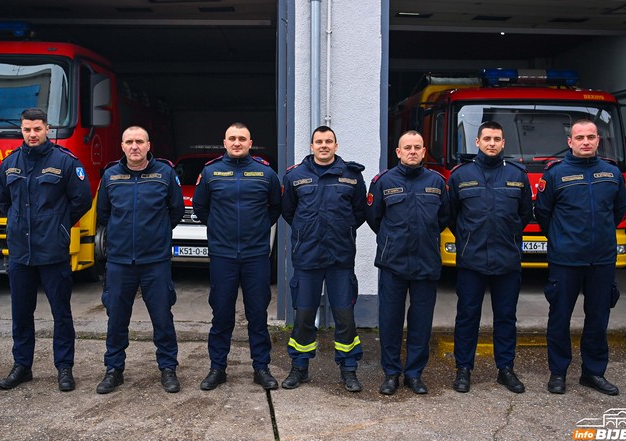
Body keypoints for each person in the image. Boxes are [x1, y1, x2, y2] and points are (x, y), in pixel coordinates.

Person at [0, 107, 92, 392]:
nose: (32, 134)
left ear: (47, 129)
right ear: (21, 130)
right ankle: (22, 366)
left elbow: (82, 200)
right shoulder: (10, 163)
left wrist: (59, 224)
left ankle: (64, 368)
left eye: (37, 129)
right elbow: (4, 201)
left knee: (60, 312)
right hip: (20, 252)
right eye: (27, 129)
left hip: (52, 250)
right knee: (21, 312)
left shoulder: (64, 161)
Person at [534, 119, 626, 396]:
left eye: (591, 137)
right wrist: (563, 240)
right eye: (580, 137)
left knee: (598, 318)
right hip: (566, 260)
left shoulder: (612, 174)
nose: (585, 142)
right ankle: (558, 373)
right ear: (570, 142)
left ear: (598, 140)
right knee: (559, 318)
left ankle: (593, 373)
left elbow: (618, 212)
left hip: (601, 260)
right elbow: (543, 214)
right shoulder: (555, 174)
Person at [94, 126, 185, 394]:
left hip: (155, 260)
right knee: (116, 318)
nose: (135, 146)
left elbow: (176, 210)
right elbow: (104, 214)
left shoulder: (165, 173)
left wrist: (156, 235)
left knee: (162, 317)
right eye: (129, 142)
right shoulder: (111, 175)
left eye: (140, 142)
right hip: (120, 261)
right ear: (122, 146)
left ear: (148, 145)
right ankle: (114, 370)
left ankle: (168, 369)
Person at [192, 122, 282, 391]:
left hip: (256, 256)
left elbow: (275, 208)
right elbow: (200, 207)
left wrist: (256, 230)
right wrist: (221, 231)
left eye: (242, 138)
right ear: (224, 142)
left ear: (250, 143)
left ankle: (261, 367)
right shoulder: (210, 173)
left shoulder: (266, 174)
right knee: (221, 315)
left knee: (257, 314)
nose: (237, 142)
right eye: (232, 138)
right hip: (223, 256)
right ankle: (217, 368)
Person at [448, 121, 533, 394]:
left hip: (507, 260)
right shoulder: (461, 175)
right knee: (467, 317)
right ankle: (463, 369)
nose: (492, 143)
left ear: (504, 142)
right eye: (487, 138)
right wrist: (468, 239)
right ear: (477, 142)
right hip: (471, 261)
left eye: (497, 138)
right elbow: (451, 216)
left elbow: (525, 215)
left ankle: (505, 369)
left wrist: (508, 237)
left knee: (506, 317)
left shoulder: (518, 175)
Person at [280, 125, 367, 392]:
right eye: (319, 141)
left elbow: (360, 213)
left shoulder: (351, 176)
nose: (324, 145)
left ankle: (349, 369)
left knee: (345, 317)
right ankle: (299, 368)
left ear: (336, 146)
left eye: (329, 141)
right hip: (307, 259)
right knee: (304, 316)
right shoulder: (295, 177)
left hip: (340, 260)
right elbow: (288, 212)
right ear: (311, 146)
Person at [366, 130, 450, 395]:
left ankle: (414, 374)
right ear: (398, 152)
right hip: (393, 263)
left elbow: (444, 217)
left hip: (426, 262)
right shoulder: (383, 182)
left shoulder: (437, 182)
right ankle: (391, 374)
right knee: (390, 320)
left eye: (417, 147)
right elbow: (374, 218)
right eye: (407, 147)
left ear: (424, 152)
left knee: (421, 322)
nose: (412, 151)